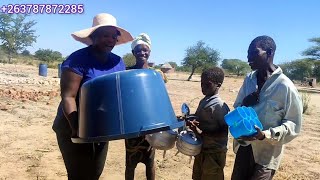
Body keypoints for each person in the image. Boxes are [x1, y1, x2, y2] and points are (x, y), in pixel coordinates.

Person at [52, 13, 133, 180]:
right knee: (78, 175)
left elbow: (119, 95)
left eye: (113, 36)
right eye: (105, 35)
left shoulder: (118, 62)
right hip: (72, 125)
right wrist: (77, 129)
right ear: (93, 36)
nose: (110, 39)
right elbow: (68, 97)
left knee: (95, 173)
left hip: (101, 128)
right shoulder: (77, 60)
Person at [231, 36, 303, 180]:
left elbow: (294, 125)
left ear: (269, 53)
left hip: (266, 155)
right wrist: (245, 102)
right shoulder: (249, 80)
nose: (248, 58)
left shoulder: (285, 86)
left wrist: (265, 135)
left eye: (254, 52)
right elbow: (237, 108)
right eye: (248, 53)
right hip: (244, 147)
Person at [125, 33, 162, 180]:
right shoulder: (127, 72)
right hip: (132, 124)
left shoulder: (155, 74)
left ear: (150, 52)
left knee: (150, 161)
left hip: (150, 124)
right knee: (130, 162)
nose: (142, 53)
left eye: (145, 50)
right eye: (138, 50)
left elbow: (159, 99)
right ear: (133, 53)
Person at [187, 67, 230, 180]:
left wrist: (201, 130)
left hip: (214, 153)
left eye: (208, 84)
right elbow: (198, 119)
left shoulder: (219, 106)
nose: (203, 87)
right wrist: (189, 120)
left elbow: (223, 132)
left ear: (218, 85)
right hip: (202, 150)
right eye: (202, 83)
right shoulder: (204, 101)